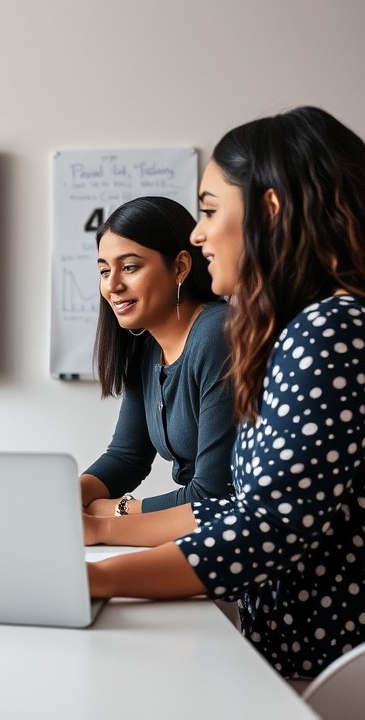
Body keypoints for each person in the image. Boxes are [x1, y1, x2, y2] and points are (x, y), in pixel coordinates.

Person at [84, 106, 365, 680]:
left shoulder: (333, 330)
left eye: (210, 210)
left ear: (271, 210)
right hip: (325, 654)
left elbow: (267, 528)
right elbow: (239, 507)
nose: (197, 231)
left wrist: (96, 577)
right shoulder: (311, 327)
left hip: (363, 665)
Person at [81, 196, 235, 517]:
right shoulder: (148, 347)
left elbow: (211, 494)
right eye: (104, 270)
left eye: (130, 267)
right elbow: (127, 456)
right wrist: (66, 495)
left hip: (237, 534)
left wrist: (113, 512)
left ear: (179, 267)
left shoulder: (217, 333)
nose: (112, 285)